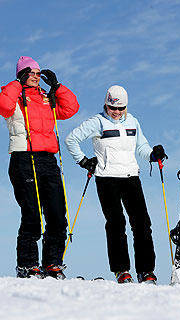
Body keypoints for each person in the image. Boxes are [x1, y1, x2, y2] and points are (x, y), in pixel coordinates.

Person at [65, 85, 166, 284]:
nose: (117, 112)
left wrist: (153, 155)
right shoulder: (97, 121)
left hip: (131, 177)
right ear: (106, 104)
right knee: (116, 224)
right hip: (106, 178)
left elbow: (141, 147)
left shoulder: (133, 121)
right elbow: (71, 139)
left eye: (121, 108)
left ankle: (146, 271)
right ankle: (121, 270)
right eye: (113, 108)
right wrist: (84, 161)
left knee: (142, 224)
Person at [0, 56, 80, 279]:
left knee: (56, 214)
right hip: (23, 159)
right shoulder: (13, 95)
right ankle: (27, 265)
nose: (36, 76)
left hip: (48, 160)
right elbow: (4, 106)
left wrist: (57, 87)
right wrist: (18, 82)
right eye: (31, 72)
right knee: (32, 215)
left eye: (37, 72)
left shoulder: (47, 97)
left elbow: (71, 108)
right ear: (22, 74)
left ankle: (52, 263)